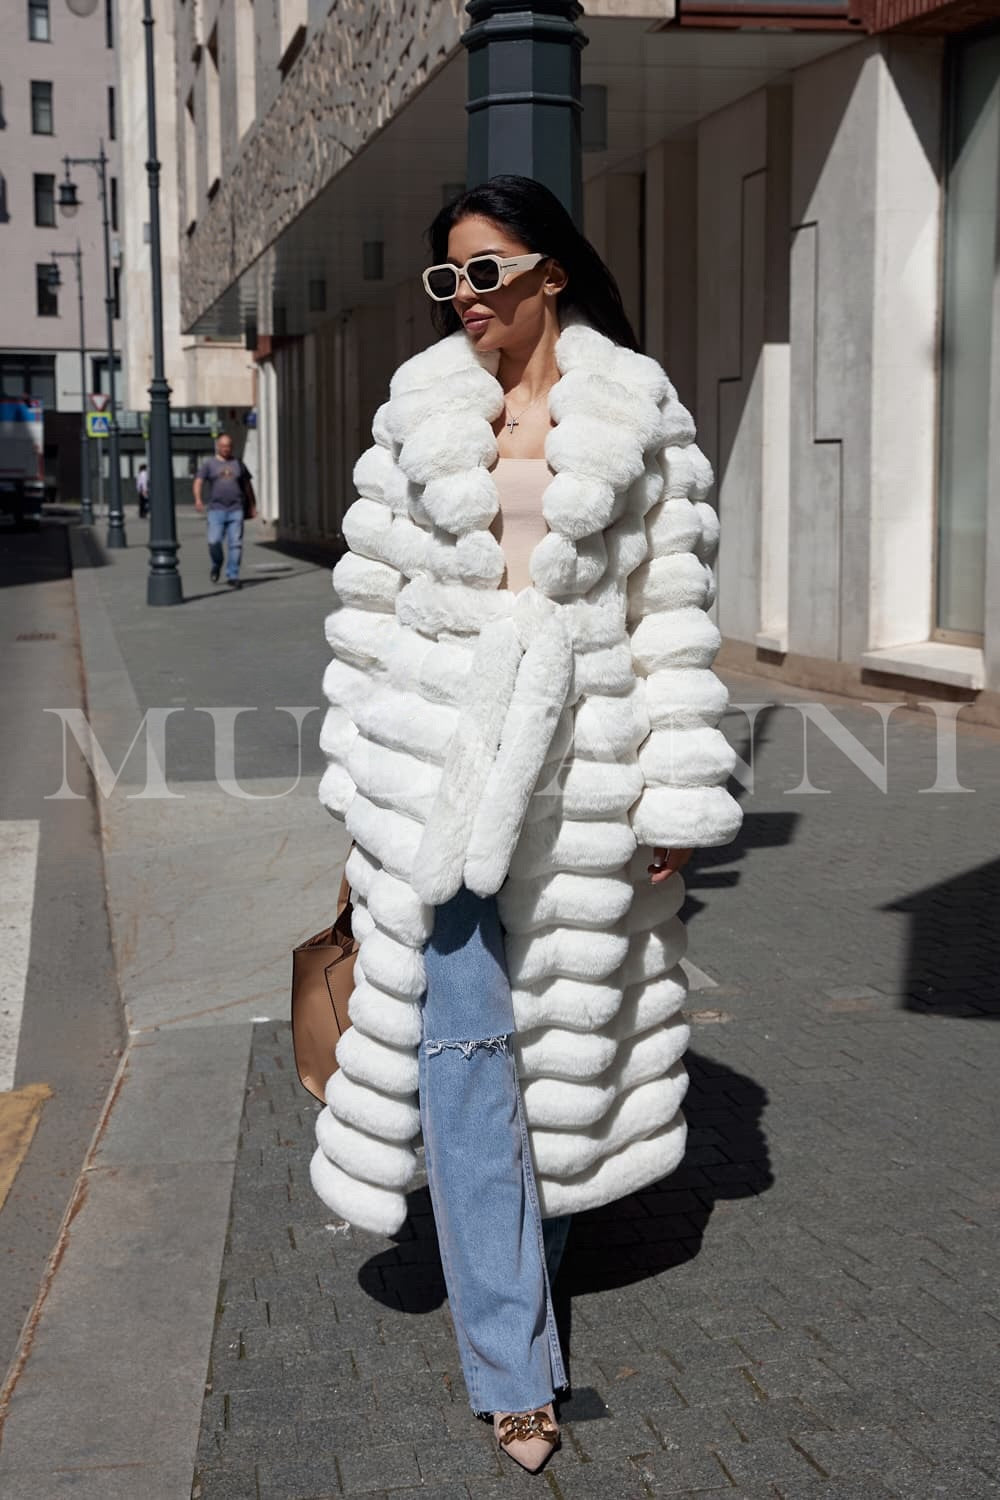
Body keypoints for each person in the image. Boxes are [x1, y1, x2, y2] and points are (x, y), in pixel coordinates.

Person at [311, 175, 743, 1473]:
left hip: (579, 789)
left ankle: (522, 1285)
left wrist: (674, 795)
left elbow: (672, 630)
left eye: (485, 271)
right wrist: (362, 807)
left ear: (550, 271)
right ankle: (513, 1367)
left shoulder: (640, 416)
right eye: (448, 279)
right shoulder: (416, 417)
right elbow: (373, 628)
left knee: (559, 1061)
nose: (466, 300)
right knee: (465, 1057)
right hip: (440, 795)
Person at [193, 433, 256, 589]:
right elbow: (198, 481)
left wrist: (252, 505)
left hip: (236, 509)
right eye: (223, 446)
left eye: (228, 446)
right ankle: (217, 563)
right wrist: (198, 499)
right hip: (216, 510)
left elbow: (247, 486)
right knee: (214, 541)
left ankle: (233, 575)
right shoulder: (210, 464)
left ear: (232, 447)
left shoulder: (238, 464)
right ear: (218, 447)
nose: (226, 449)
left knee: (236, 544)